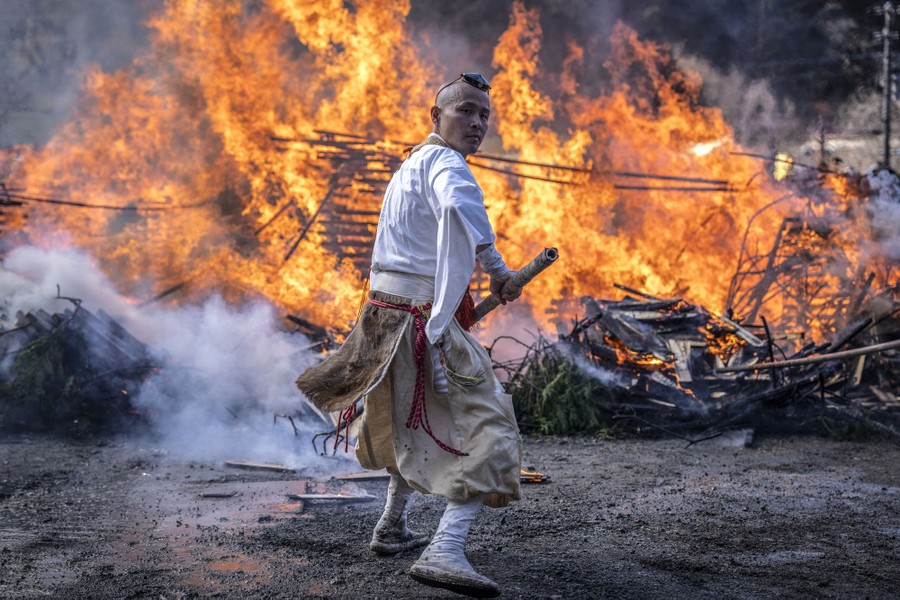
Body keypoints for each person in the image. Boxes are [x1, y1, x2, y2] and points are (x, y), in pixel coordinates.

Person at [296, 72, 522, 598]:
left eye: (484, 114)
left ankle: (392, 526)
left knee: (410, 422)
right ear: (435, 117)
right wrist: (497, 270)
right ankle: (444, 550)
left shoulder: (409, 165)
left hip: (385, 321)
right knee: (489, 428)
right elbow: (459, 206)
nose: (477, 122)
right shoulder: (444, 163)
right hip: (422, 323)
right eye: (465, 110)